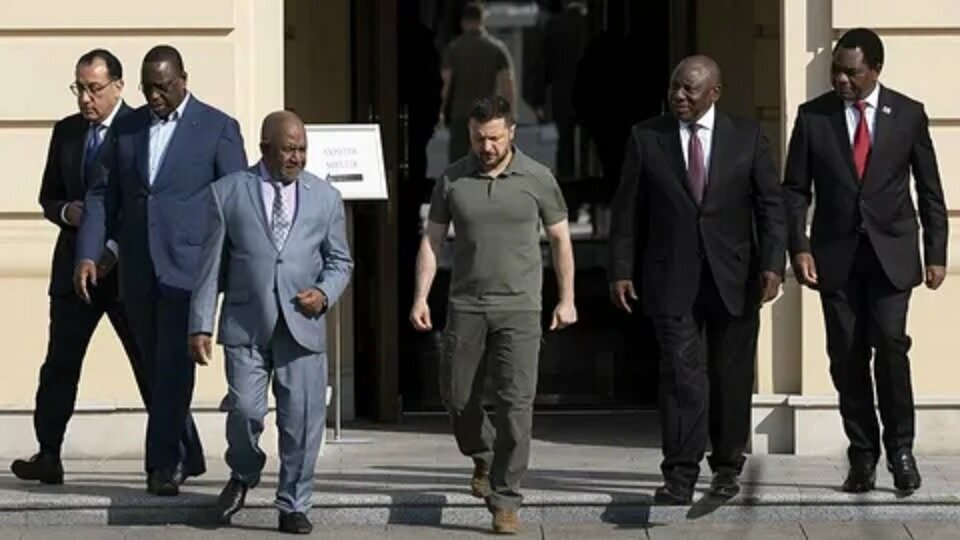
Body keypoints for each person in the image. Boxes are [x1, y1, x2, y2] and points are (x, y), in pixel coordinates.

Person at [609, 55, 786, 504]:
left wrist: (773, 264)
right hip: (671, 277)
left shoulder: (746, 137)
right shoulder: (647, 137)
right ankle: (679, 474)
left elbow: (771, 206)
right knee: (681, 376)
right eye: (675, 87)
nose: (679, 96)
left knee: (730, 377)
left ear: (714, 93)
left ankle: (726, 467)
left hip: (735, 277)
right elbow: (627, 210)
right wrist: (621, 269)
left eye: (689, 89)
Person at [75, 44, 248, 496]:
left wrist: (234, 272)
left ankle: (162, 464)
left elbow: (236, 203)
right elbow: (102, 194)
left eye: (163, 87)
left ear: (183, 80)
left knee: (173, 366)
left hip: (188, 271)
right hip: (137, 268)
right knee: (154, 368)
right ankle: (188, 453)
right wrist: (89, 253)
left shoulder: (218, 128)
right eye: (147, 87)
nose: (155, 96)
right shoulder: (127, 127)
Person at [783, 28, 947, 494]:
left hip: (892, 255)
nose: (841, 80)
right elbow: (794, 191)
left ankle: (901, 451)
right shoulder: (813, 117)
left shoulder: (907, 114)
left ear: (875, 70)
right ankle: (863, 454)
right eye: (836, 70)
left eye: (852, 72)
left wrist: (936, 253)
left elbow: (930, 190)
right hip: (835, 258)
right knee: (846, 356)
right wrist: (800, 246)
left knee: (891, 347)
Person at [410, 95, 577, 534]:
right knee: (457, 396)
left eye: (495, 138)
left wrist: (567, 299)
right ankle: (484, 456)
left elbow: (561, 240)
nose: (487, 147)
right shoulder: (452, 179)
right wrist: (421, 297)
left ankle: (506, 498)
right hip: (466, 305)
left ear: (511, 133)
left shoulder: (537, 178)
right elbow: (432, 241)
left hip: (521, 307)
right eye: (479, 138)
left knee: (515, 404)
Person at [188, 111, 352, 534]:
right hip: (247, 323)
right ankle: (244, 471)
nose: (297, 158)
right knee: (245, 410)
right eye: (288, 149)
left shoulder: (325, 197)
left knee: (301, 422)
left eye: (302, 149)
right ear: (264, 149)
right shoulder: (228, 192)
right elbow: (210, 267)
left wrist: (324, 293)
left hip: (302, 324)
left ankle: (294, 504)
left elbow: (340, 261)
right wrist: (200, 323)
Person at [10, 49, 149, 485]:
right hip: (74, 270)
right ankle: (48, 452)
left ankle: (174, 456)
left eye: (95, 89)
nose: (86, 98)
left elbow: (143, 201)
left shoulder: (141, 129)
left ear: (118, 87)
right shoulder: (68, 132)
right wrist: (68, 213)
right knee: (60, 365)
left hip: (125, 271)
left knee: (149, 363)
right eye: (80, 88)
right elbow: (48, 196)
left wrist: (112, 248)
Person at [440, 2, 515, 164]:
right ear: (483, 20)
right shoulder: (497, 48)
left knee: (458, 164)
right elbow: (507, 84)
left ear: (463, 22)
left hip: (460, 115)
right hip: (487, 115)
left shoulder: (453, 48)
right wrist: (508, 115)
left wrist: (440, 111)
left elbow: (445, 84)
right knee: (487, 160)